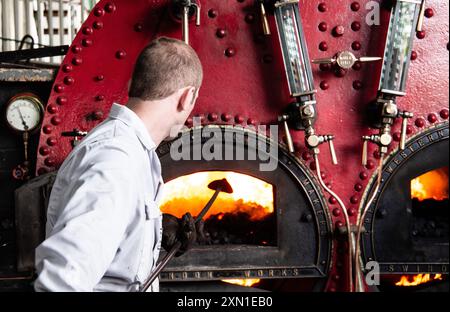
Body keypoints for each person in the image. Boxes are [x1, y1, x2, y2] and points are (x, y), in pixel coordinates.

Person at [34, 37, 203, 292]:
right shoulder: (116, 160)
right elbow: (61, 281)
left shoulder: (136, 152)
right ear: (187, 97)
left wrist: (154, 229)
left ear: (132, 84)